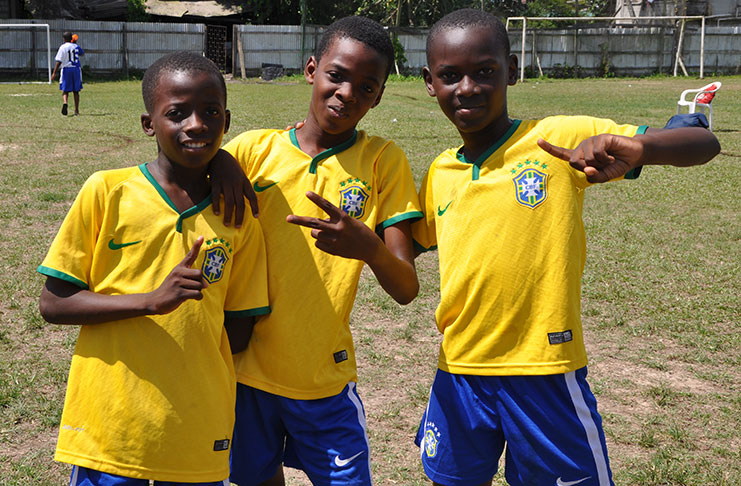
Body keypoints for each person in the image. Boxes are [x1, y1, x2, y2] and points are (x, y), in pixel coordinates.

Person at [412, 9, 720, 486]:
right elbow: (411, 244)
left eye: (485, 71)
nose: (468, 87)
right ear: (430, 82)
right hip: (458, 371)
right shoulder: (440, 173)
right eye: (451, 76)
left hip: (545, 371)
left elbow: (703, 142)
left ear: (512, 69)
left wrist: (646, 148)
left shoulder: (555, 138)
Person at [37, 51, 270, 486]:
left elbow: (239, 327)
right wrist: (150, 301)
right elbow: (54, 302)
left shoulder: (237, 217)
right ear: (149, 124)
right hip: (111, 425)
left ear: (227, 120)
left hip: (196, 424)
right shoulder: (107, 192)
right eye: (177, 113)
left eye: (210, 112)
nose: (196, 124)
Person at [218, 15, 422, 486]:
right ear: (312, 69)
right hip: (245, 373)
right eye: (337, 75)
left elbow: (407, 288)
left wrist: (368, 246)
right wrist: (222, 160)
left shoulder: (381, 160)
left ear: (379, 97)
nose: (348, 93)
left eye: (367, 87)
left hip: (323, 380)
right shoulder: (251, 151)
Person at [51, 31, 85, 116]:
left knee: (65, 89)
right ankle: (76, 111)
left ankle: (65, 102)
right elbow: (82, 53)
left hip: (66, 69)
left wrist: (54, 72)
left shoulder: (62, 47)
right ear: (72, 38)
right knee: (76, 91)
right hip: (76, 69)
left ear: (64, 39)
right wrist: (75, 42)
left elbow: (59, 61)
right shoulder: (76, 46)